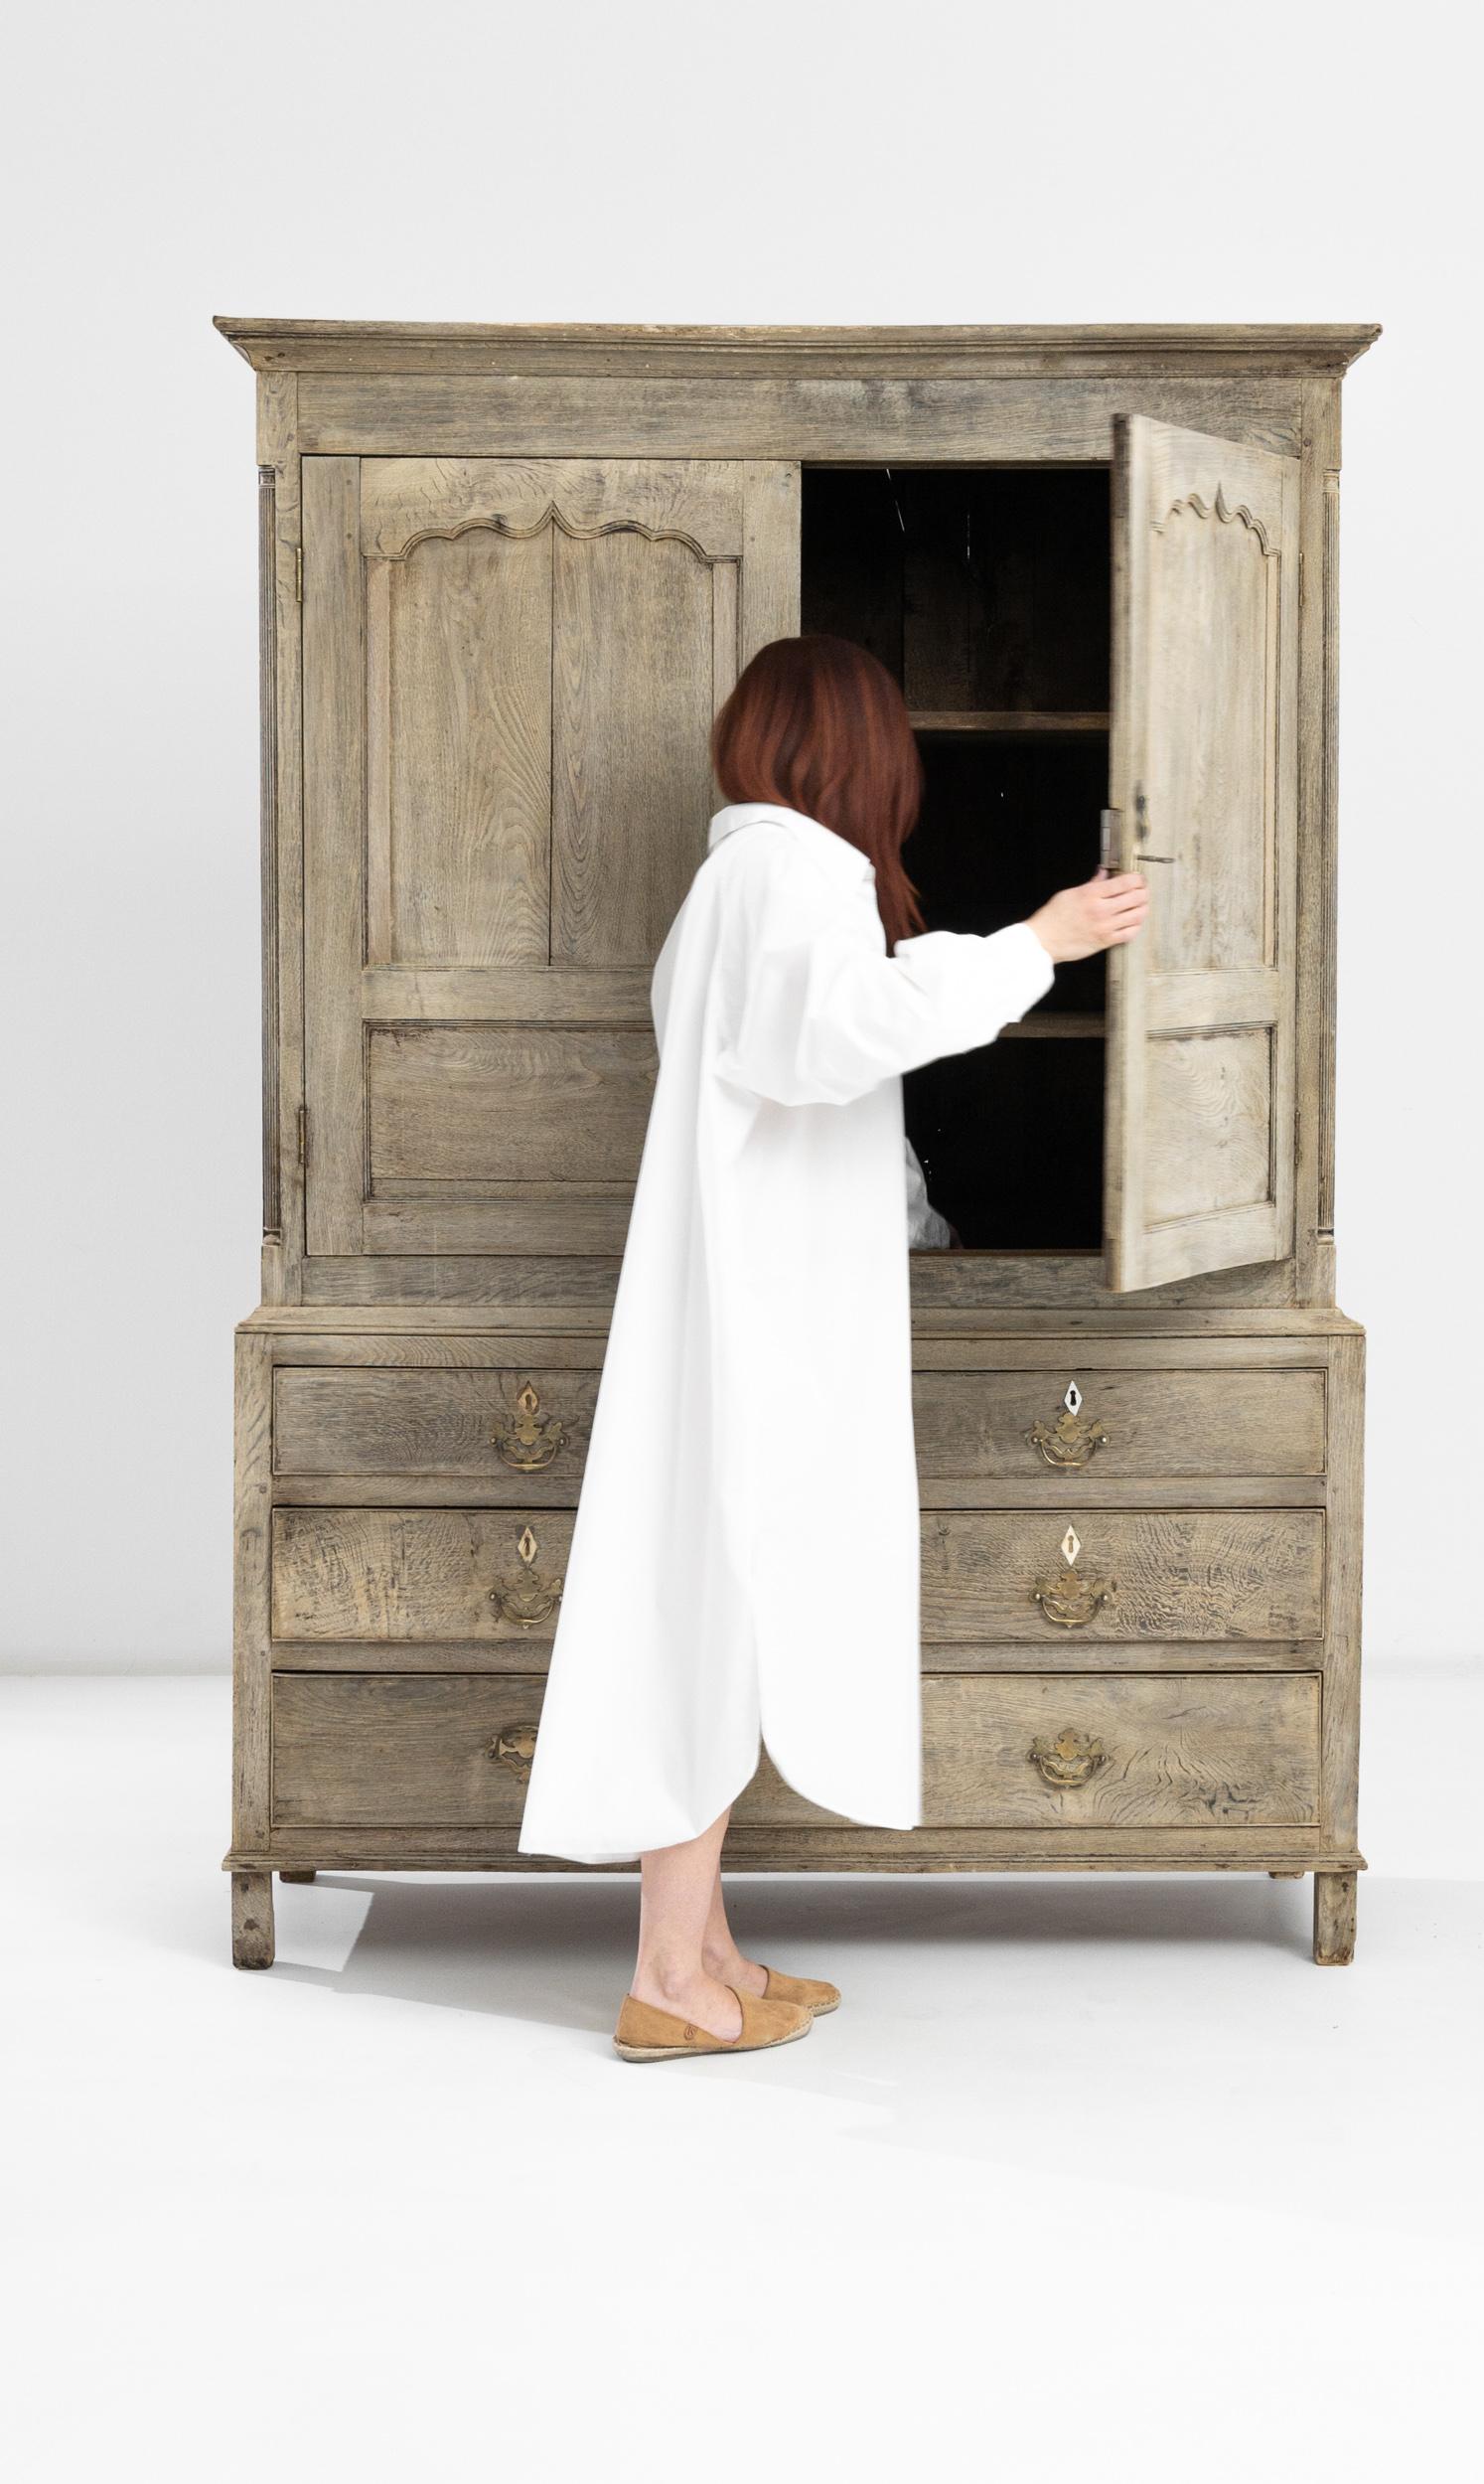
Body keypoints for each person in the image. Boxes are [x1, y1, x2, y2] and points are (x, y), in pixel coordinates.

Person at [516, 635, 1148, 2062]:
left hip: (744, 1292)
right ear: (858, 751)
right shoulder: (794, 872)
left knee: (722, 1594)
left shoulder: (740, 876)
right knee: (722, 1602)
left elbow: (781, 1058)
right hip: (761, 1313)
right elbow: (828, 1038)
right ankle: (666, 1979)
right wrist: (1032, 948)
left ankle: (707, 1949)